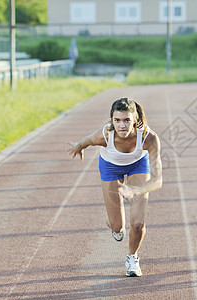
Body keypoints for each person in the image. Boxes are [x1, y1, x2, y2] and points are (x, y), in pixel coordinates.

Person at [66, 97, 162, 277]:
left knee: (137, 223)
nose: (122, 126)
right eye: (117, 120)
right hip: (110, 166)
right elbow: (87, 140)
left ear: (135, 120)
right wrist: (78, 146)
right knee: (118, 227)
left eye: (127, 120)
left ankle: (132, 258)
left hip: (137, 165)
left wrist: (135, 190)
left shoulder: (149, 138)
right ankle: (112, 223)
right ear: (112, 120)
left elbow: (158, 181)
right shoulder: (105, 135)